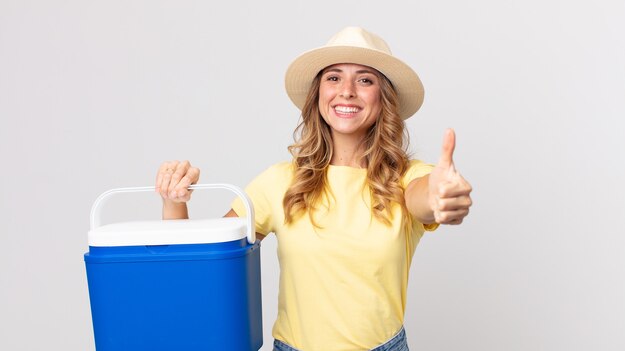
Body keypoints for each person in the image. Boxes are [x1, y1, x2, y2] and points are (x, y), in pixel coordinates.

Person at [155, 27, 473, 351]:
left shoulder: (406, 178)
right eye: (334, 78)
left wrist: (440, 193)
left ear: (384, 97)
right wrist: (173, 200)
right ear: (318, 93)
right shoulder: (279, 182)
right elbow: (199, 267)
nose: (347, 91)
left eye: (365, 80)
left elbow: (426, 197)